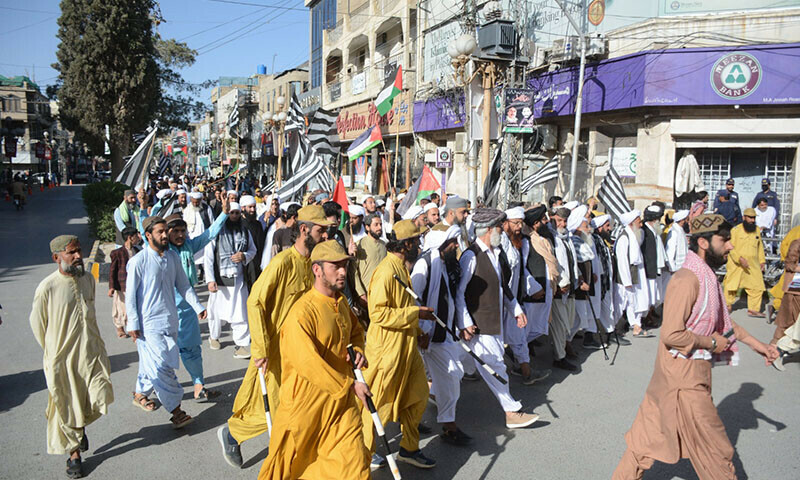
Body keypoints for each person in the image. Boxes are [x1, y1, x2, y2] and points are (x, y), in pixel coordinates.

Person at [612, 214, 779, 480]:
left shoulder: (706, 275)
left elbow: (723, 321)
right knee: (717, 451)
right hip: (682, 379)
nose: (730, 247)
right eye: (724, 240)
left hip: (683, 374)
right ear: (703, 242)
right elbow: (671, 334)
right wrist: (711, 343)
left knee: (643, 444)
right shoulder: (687, 279)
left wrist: (758, 345)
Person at [218, 205, 332, 468]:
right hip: (276, 351)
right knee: (275, 406)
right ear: (304, 230)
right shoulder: (282, 263)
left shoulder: (314, 265)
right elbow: (255, 301)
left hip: (304, 350)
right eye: (320, 230)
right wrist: (260, 346)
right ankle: (234, 433)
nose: (325, 236)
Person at [257, 240, 371, 479]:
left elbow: (355, 331)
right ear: (317, 270)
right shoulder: (301, 313)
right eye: (335, 266)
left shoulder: (341, 304)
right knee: (289, 469)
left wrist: (358, 350)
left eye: (345, 266)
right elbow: (309, 364)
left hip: (341, 406)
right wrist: (350, 385)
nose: (342, 272)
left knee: (355, 464)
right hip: (305, 408)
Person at [30, 235, 114, 479]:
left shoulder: (88, 279)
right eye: (72, 253)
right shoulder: (47, 287)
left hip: (91, 352)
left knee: (97, 395)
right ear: (57, 257)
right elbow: (38, 325)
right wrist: (55, 352)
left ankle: (79, 428)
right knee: (66, 404)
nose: (78, 257)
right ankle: (74, 453)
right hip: (62, 359)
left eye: (79, 251)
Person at [456, 208, 541, 431]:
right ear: (488, 230)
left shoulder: (495, 253)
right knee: (496, 366)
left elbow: (503, 286)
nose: (501, 232)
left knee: (457, 367)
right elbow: (460, 293)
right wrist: (464, 321)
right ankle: (511, 411)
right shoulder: (470, 256)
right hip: (479, 325)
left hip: (493, 322)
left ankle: (433, 391)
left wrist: (516, 310)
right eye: (498, 229)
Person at [361, 219, 436, 469]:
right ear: (406, 244)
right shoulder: (385, 272)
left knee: (417, 396)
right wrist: (415, 315)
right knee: (378, 407)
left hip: (406, 347)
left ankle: (409, 449)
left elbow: (403, 307)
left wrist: (417, 331)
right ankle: (362, 455)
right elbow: (378, 314)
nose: (419, 245)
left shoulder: (401, 268)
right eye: (416, 241)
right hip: (386, 353)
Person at [126, 216, 205, 428]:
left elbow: (184, 285)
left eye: (165, 231)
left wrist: (198, 307)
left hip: (170, 321)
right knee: (162, 367)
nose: (164, 235)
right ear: (148, 235)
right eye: (160, 232)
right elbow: (130, 295)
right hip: (148, 324)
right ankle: (176, 411)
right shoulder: (138, 261)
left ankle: (140, 393)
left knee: (155, 362)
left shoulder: (171, 257)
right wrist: (132, 323)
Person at [161, 197, 230, 401]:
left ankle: (199, 384)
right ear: (167, 233)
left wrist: (224, 213)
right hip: (166, 307)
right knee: (162, 353)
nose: (181, 235)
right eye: (176, 231)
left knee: (191, 348)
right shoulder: (163, 251)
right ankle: (143, 391)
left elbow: (209, 235)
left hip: (189, 306)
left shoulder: (189, 246)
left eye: (183, 231)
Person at [411, 225, 473, 445]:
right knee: (428, 382)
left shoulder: (444, 263)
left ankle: (446, 423)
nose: (456, 246)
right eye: (452, 242)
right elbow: (414, 301)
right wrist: (422, 331)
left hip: (443, 334)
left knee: (452, 376)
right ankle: (445, 426)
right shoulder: (426, 263)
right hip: (426, 336)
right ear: (441, 244)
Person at [500, 206, 553, 381]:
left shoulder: (519, 242)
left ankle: (525, 372)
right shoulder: (499, 242)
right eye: (516, 223)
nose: (518, 227)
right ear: (506, 223)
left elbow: (523, 270)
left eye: (521, 223)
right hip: (500, 300)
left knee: (520, 338)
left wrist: (534, 287)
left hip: (514, 300)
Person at [204, 202, 256, 358]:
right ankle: (214, 336)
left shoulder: (245, 231)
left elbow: (253, 250)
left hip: (239, 279)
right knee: (215, 310)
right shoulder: (216, 232)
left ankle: (241, 344)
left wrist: (244, 256)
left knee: (240, 311)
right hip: (220, 279)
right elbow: (208, 257)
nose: (234, 216)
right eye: (231, 213)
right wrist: (210, 280)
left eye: (237, 213)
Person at [550, 207, 582, 364]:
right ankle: (559, 356)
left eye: (564, 221)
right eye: (559, 221)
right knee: (559, 325)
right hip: (559, 289)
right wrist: (559, 283)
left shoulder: (567, 238)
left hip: (571, 288)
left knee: (568, 323)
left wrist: (577, 277)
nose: (562, 224)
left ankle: (564, 348)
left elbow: (571, 261)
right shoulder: (551, 238)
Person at [615, 210, 652, 338]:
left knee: (635, 301)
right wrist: (627, 281)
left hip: (636, 273)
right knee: (624, 303)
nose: (641, 225)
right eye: (638, 222)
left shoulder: (634, 235)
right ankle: (614, 329)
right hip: (627, 276)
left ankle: (636, 325)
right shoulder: (624, 238)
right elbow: (622, 261)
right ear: (631, 223)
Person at [722, 208, 766, 318]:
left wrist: (762, 261)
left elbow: (759, 246)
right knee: (731, 286)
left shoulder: (756, 230)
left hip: (752, 265)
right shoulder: (735, 230)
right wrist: (740, 259)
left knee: (757, 286)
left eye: (754, 218)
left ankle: (753, 309)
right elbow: (730, 248)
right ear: (744, 217)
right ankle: (727, 306)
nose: (752, 220)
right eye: (750, 217)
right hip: (737, 264)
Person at [108, 227, 142, 338]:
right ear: (130, 238)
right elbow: (113, 270)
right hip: (123, 285)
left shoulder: (138, 251)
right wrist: (111, 287)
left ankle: (133, 328)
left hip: (135, 284)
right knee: (121, 308)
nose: (138, 237)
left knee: (133, 307)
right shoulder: (117, 253)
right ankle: (120, 328)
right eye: (136, 235)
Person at [352, 212, 387, 309]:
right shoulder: (359, 245)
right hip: (367, 296)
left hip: (383, 294)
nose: (379, 227)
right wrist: (361, 294)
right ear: (367, 227)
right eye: (376, 225)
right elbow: (354, 272)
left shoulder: (384, 245)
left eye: (380, 224)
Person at [641, 205, 668, 311]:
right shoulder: (645, 231)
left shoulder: (654, 231)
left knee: (655, 294)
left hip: (655, 268)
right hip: (649, 268)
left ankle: (650, 314)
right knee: (649, 294)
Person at [240, 194, 265, 289]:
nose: (253, 210)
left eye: (254, 207)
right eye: (250, 207)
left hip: (256, 262)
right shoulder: (239, 224)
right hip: (244, 262)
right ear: (242, 208)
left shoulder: (258, 224)